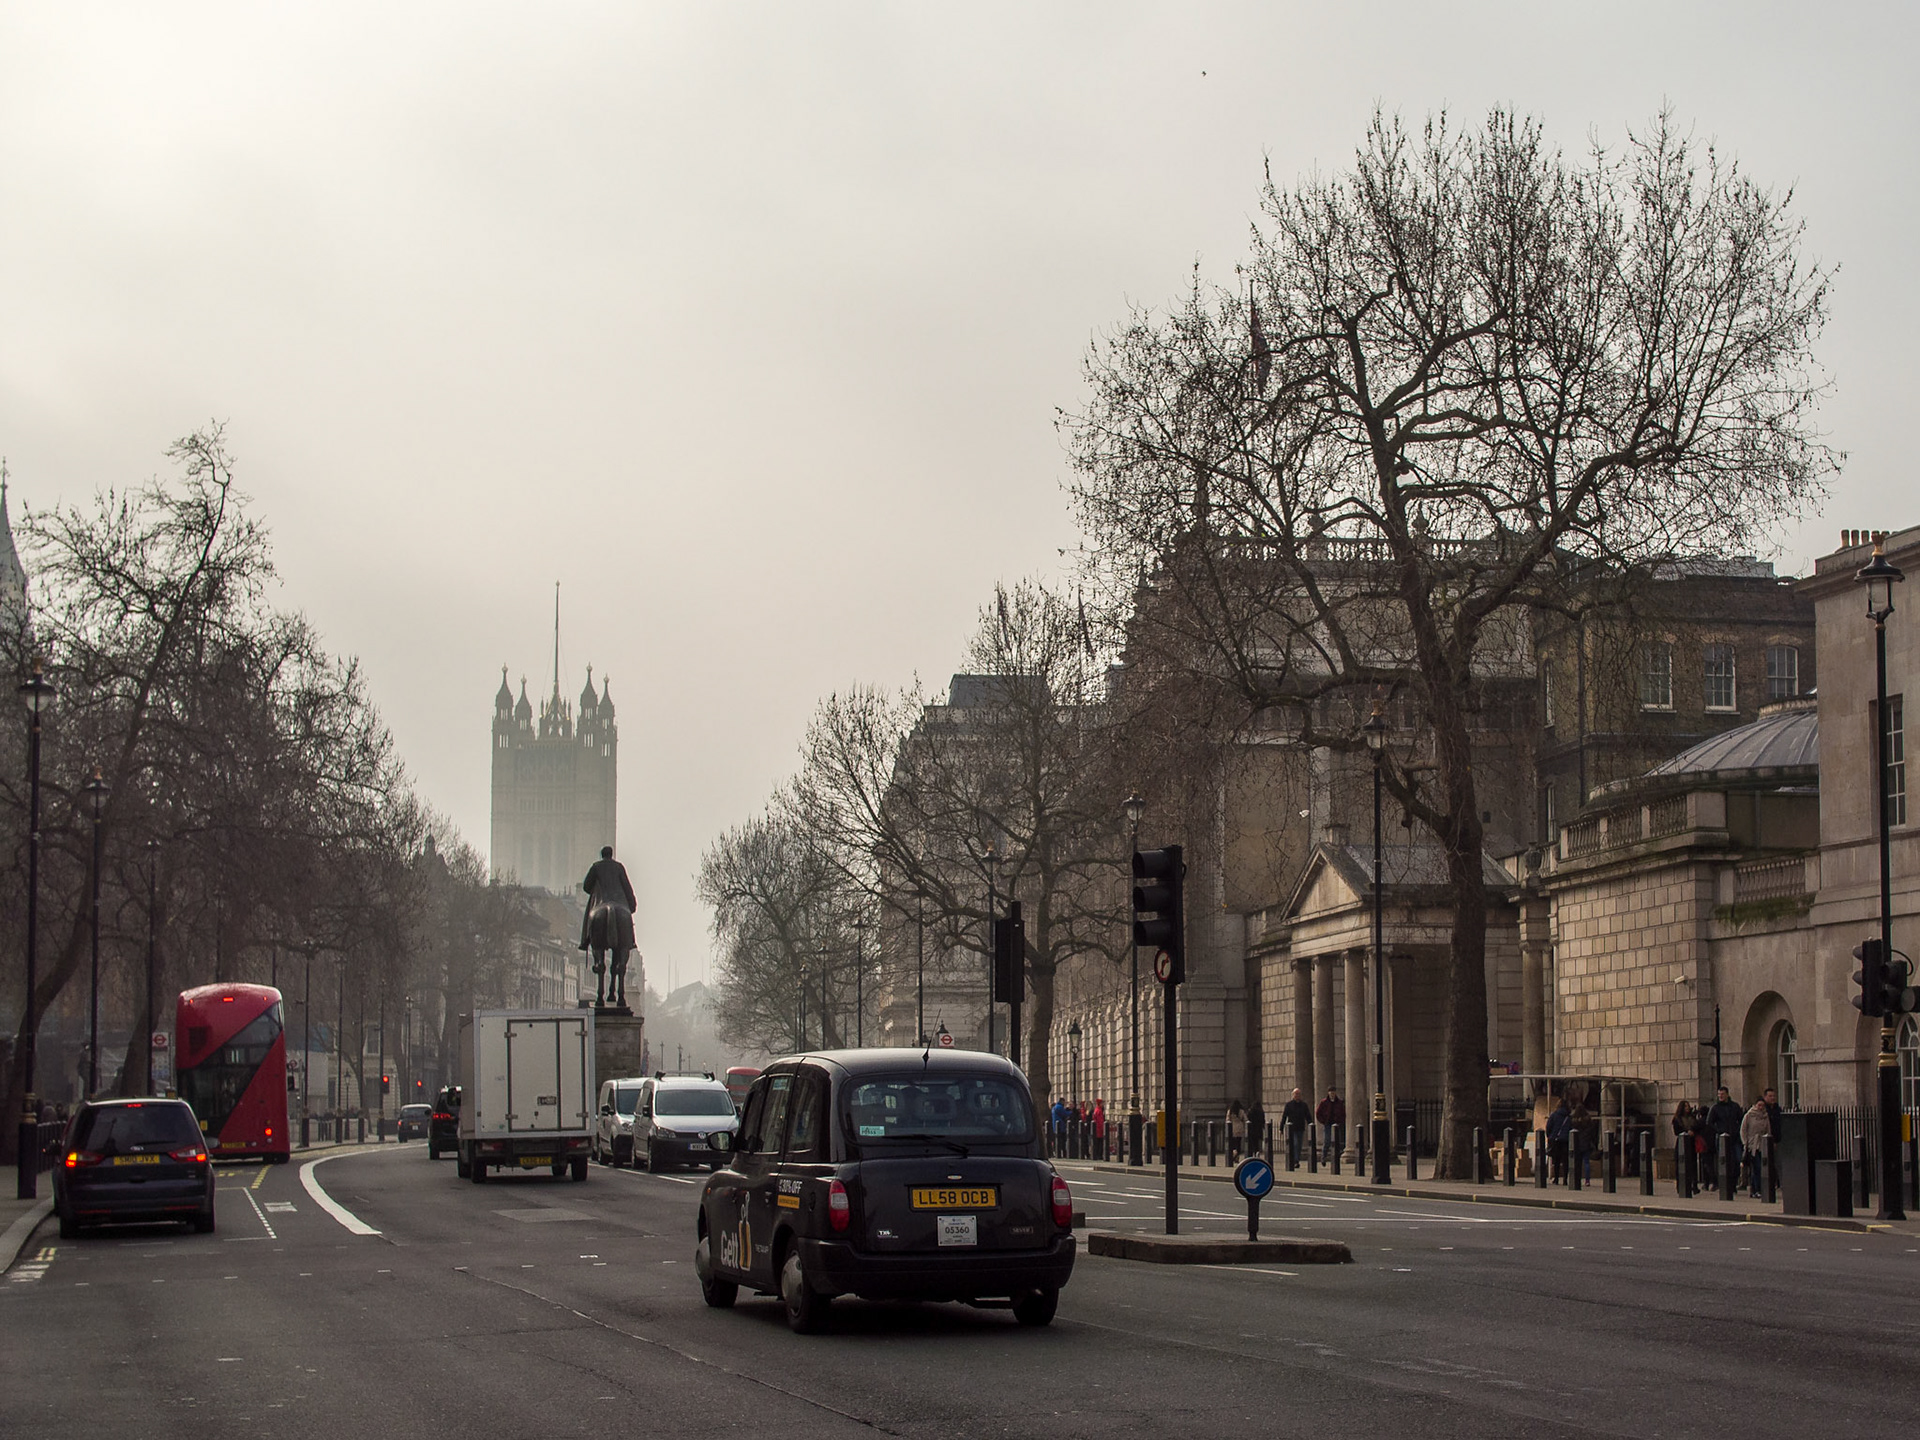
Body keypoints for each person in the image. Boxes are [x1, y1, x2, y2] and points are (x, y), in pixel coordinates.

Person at [579, 845, 637, 950]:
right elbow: (627, 888)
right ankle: (632, 941)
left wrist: (594, 891)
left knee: (589, 917)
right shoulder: (619, 867)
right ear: (611, 855)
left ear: (602, 855)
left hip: (601, 901)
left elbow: (586, 886)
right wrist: (632, 905)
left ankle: (585, 940)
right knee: (627, 922)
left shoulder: (595, 867)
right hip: (619, 901)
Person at [1707, 1085, 1745, 1186]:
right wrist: (1719, 1130)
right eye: (1719, 1094)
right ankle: (1725, 1183)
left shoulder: (1735, 1106)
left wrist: (1737, 1130)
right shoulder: (1715, 1108)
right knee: (1724, 1161)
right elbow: (1709, 1122)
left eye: (1723, 1094)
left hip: (1734, 1138)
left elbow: (1741, 1120)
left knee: (1737, 1160)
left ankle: (1734, 1181)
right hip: (1722, 1138)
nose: (1721, 1096)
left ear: (1727, 1094)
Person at [1741, 1095, 1771, 1198]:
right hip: (1752, 1145)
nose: (1761, 1107)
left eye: (1762, 1105)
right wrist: (1746, 1143)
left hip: (1762, 1145)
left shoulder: (1765, 1116)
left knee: (1759, 1169)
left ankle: (1754, 1189)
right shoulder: (1749, 1115)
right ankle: (1757, 1189)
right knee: (1756, 1168)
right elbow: (1743, 1130)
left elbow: (1768, 1130)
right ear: (1755, 1105)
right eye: (1759, 1105)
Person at [1281, 1089, 1312, 1167]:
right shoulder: (1289, 1105)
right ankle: (1295, 1160)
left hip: (1300, 1127)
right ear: (1293, 1095)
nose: (1297, 1096)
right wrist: (1281, 1128)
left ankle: (1297, 1159)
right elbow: (1284, 1116)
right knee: (1295, 1144)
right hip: (1292, 1128)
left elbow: (1308, 1116)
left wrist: (1311, 1125)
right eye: (1296, 1094)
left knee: (1299, 1145)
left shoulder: (1304, 1105)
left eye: (1299, 1094)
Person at [1546, 1095, 1572, 1183]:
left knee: (1556, 1160)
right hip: (1566, 1140)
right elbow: (1571, 1128)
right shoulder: (1568, 1116)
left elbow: (1548, 1127)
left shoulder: (1554, 1115)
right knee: (1565, 1160)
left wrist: (1550, 1136)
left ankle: (1556, 1178)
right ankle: (1565, 1179)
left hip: (1556, 1140)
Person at [1316, 1089, 1345, 1159]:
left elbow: (1343, 1113)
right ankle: (1324, 1156)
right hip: (1328, 1123)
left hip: (1336, 1124)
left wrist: (1340, 1121)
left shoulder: (1339, 1102)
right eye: (1331, 1093)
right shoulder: (1324, 1102)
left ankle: (1336, 1156)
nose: (1332, 1094)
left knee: (1337, 1141)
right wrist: (1323, 1121)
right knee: (1327, 1140)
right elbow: (1318, 1113)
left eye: (1333, 1093)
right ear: (1328, 1093)